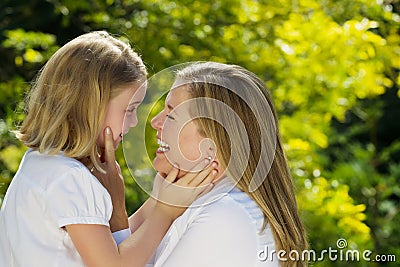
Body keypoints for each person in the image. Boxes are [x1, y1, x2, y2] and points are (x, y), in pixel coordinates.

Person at [0, 32, 217, 267]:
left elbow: (114, 246)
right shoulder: (70, 179)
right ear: (91, 106)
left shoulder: (41, 163)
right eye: (129, 109)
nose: (134, 122)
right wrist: (165, 212)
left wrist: (158, 200)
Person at [111, 62, 308, 266]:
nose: (155, 122)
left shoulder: (225, 216)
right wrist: (155, 205)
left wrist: (128, 212)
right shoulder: (202, 204)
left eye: (171, 114)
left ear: (214, 141)